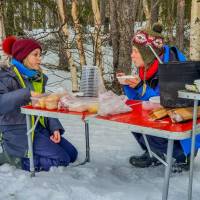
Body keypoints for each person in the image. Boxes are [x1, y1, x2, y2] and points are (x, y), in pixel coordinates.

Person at [117, 23, 192, 171]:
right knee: (132, 115)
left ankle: (182, 157)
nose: (132, 55)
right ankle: (155, 153)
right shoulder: (148, 66)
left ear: (147, 53)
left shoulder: (172, 66)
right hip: (165, 115)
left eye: (135, 51)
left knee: (150, 119)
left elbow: (165, 103)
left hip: (182, 122)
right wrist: (127, 84)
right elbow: (139, 101)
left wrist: (141, 87)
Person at [0, 36, 78, 171]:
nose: (39, 59)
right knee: (62, 159)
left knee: (72, 154)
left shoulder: (36, 77)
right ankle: (15, 159)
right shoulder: (6, 77)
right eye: (35, 55)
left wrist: (54, 127)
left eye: (40, 55)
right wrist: (27, 94)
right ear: (23, 56)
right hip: (18, 132)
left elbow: (43, 105)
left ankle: (33, 153)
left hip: (38, 128)